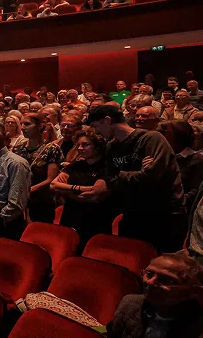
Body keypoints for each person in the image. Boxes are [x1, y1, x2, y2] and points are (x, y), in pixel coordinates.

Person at [84, 104, 186, 252]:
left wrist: (119, 174)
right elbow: (108, 178)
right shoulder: (112, 147)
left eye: (95, 126)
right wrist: (137, 172)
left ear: (107, 120)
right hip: (132, 214)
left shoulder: (151, 138)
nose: (95, 132)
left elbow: (150, 178)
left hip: (163, 216)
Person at [107, 251, 203, 338]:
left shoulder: (198, 328)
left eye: (166, 280)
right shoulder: (130, 304)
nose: (150, 283)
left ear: (193, 291)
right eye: (149, 274)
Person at [50, 132, 118, 249]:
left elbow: (93, 196)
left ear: (98, 147)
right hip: (70, 215)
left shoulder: (107, 167)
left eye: (85, 145)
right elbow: (53, 185)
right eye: (79, 145)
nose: (80, 148)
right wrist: (79, 189)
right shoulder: (76, 165)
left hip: (94, 219)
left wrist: (67, 191)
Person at [13, 112, 63, 223]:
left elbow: (51, 179)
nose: (22, 128)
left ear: (40, 126)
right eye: (21, 124)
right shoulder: (19, 148)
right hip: (19, 199)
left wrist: (28, 191)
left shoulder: (51, 148)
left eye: (27, 124)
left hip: (41, 200)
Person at [159, 120, 203, 212]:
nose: (160, 136)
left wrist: (171, 202)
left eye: (164, 132)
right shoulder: (162, 155)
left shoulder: (197, 160)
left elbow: (195, 191)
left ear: (179, 136)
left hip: (180, 212)